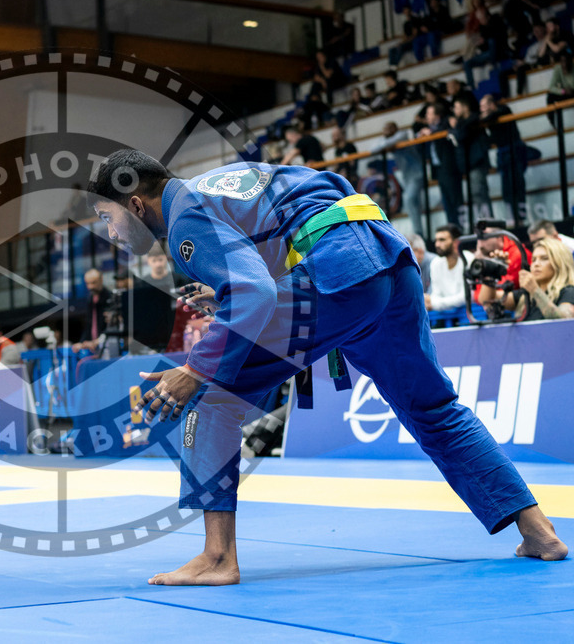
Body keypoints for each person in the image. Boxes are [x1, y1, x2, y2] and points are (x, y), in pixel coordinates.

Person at [85, 148, 566, 586]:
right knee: (434, 408)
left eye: (107, 218)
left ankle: (216, 558)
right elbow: (303, 213)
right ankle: (539, 531)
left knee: (210, 392)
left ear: (135, 205)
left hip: (336, 271)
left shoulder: (185, 219)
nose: (110, 233)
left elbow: (255, 293)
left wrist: (194, 369)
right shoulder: (219, 182)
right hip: (387, 258)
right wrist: (237, 289)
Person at [478, 238, 574, 320]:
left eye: (544, 258)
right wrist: (493, 271)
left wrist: (535, 290)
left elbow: (563, 321)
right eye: (534, 259)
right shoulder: (526, 295)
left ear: (560, 263)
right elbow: (486, 300)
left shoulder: (568, 291)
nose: (536, 264)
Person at [370, 121, 426, 239]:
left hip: (417, 174)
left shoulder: (402, 135)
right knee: (414, 204)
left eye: (388, 129)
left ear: (394, 129)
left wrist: (385, 144)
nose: (385, 132)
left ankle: (418, 233)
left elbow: (381, 146)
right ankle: (420, 234)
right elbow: (375, 148)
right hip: (407, 176)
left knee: (409, 198)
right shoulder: (391, 142)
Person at [481, 94, 530, 226]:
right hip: (503, 154)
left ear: (492, 105)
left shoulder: (503, 110)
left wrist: (483, 117)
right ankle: (513, 217)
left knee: (517, 186)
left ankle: (520, 218)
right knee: (507, 189)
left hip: (515, 151)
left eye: (485, 107)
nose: (483, 110)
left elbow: (492, 115)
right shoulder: (488, 119)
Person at [449, 92, 494, 225]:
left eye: (457, 107)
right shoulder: (462, 123)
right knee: (475, 194)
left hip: (477, 162)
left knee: (479, 192)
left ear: (465, 107)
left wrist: (455, 128)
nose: (455, 110)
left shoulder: (474, 119)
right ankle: (483, 222)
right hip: (467, 164)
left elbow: (461, 135)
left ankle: (489, 223)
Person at [418, 103, 464, 228]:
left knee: (454, 197)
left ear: (437, 115)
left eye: (429, 113)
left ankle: (460, 225)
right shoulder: (430, 128)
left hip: (449, 167)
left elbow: (445, 130)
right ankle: (451, 225)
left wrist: (430, 132)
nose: (426, 116)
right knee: (446, 199)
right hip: (438, 168)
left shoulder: (446, 122)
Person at [426, 223, 472, 313]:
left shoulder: (469, 259)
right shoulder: (435, 263)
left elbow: (466, 297)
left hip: (469, 315)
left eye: (442, 240)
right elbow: (436, 295)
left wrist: (435, 304)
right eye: (436, 240)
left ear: (456, 242)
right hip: (445, 316)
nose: (437, 244)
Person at [74, 268, 112, 352]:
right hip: (93, 347)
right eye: (88, 283)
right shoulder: (90, 299)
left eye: (93, 283)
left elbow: (111, 326)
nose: (90, 287)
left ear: (101, 280)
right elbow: (89, 324)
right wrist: (82, 342)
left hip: (106, 344)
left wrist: (97, 341)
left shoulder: (110, 298)